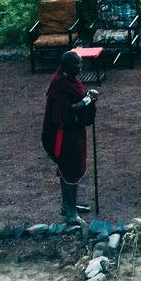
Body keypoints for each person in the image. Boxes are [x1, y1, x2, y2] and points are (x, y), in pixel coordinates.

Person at [41, 50, 97, 224]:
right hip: (64, 134)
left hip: (74, 132)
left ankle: (68, 205)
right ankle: (71, 212)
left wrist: (88, 96)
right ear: (68, 66)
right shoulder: (59, 84)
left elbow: (78, 96)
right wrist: (88, 100)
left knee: (73, 167)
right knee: (69, 167)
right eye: (78, 65)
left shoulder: (69, 79)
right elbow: (67, 111)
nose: (80, 68)